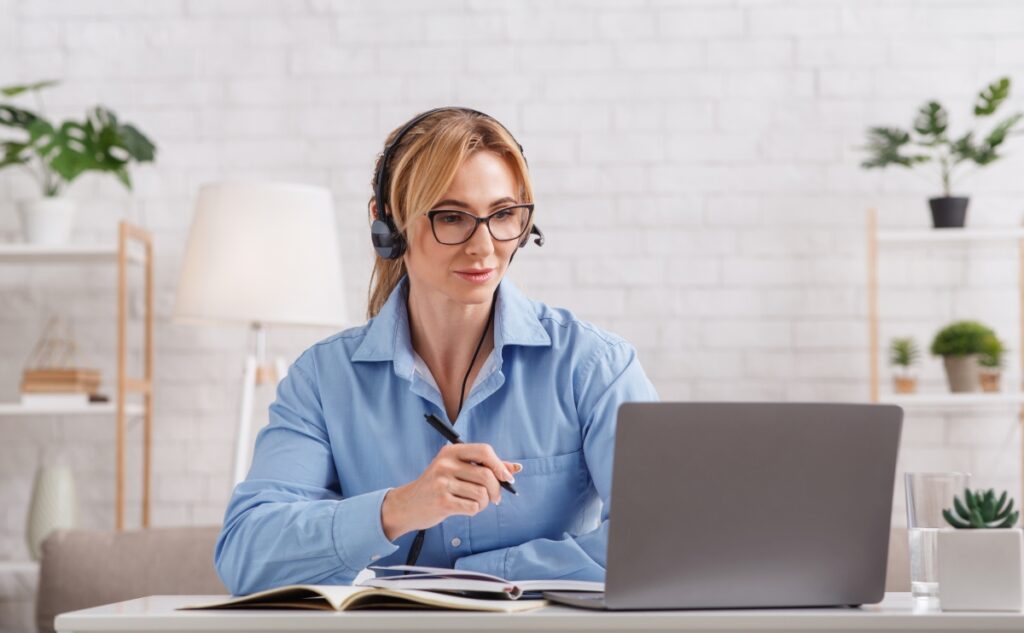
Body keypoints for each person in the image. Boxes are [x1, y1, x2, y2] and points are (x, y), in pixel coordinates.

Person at [214, 107, 659, 596]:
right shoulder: (323, 379)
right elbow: (246, 554)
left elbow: (660, 542)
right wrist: (396, 509)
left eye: (504, 215)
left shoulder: (594, 367)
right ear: (387, 223)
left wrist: (479, 577)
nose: (483, 247)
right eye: (452, 217)